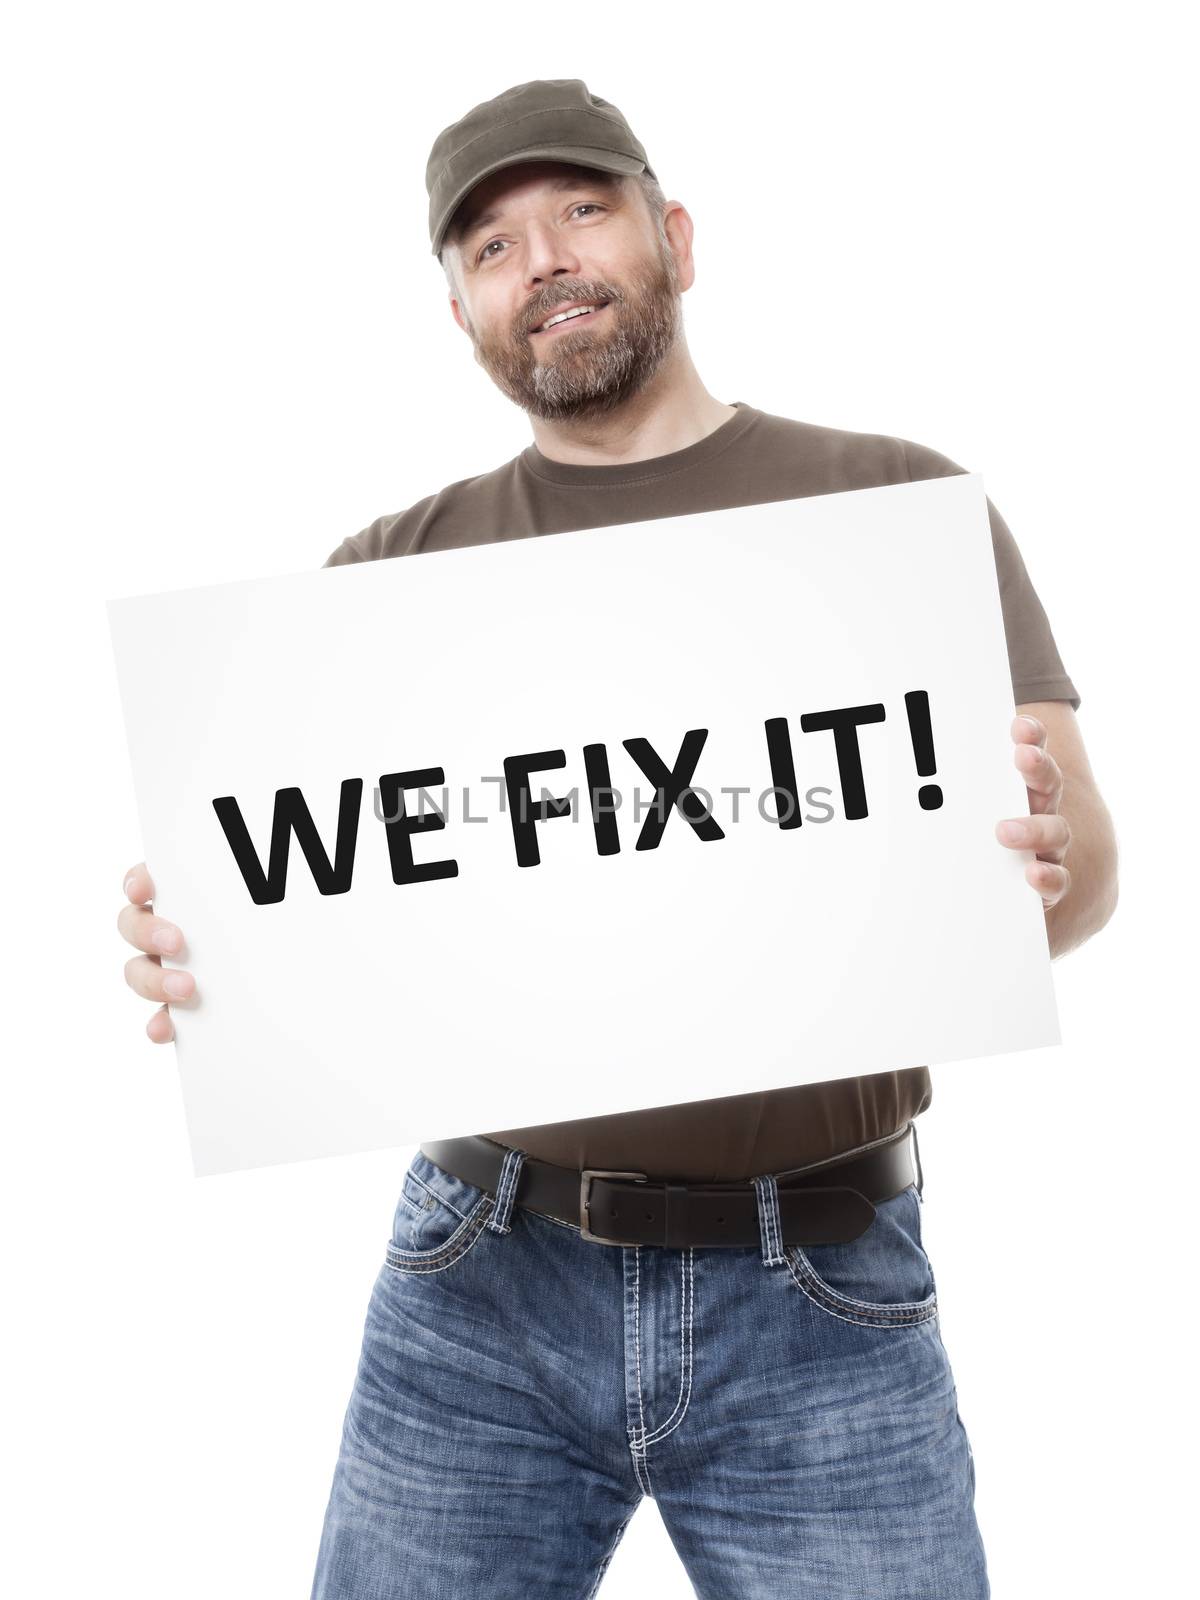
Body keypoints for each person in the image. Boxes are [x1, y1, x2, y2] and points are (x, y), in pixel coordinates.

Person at [116, 79, 1119, 1598]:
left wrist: (1042, 864)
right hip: (480, 1282)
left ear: (676, 238)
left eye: (582, 212)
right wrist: (206, 949)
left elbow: (1082, 875)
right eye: (495, 246)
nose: (548, 263)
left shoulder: (894, 510)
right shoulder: (387, 574)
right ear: (460, 310)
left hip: (824, 1287)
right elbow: (310, 904)